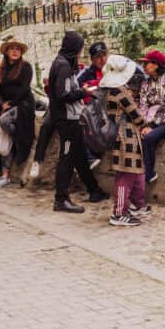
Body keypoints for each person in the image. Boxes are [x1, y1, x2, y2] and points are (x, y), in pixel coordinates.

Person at [48, 31, 106, 214]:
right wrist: (84, 92)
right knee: (66, 158)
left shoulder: (62, 62)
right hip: (66, 120)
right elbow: (64, 95)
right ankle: (61, 199)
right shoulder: (64, 66)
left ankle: (93, 189)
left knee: (80, 156)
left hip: (71, 118)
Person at [101, 55, 150, 227]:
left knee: (126, 174)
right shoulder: (119, 91)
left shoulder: (107, 90)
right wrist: (145, 124)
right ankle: (119, 212)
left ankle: (125, 208)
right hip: (126, 137)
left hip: (117, 135)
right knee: (125, 175)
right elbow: (136, 114)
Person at [0, 40, 35, 189]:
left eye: (18, 49)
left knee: (3, 121)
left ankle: (18, 137)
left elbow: (24, 89)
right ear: (6, 52)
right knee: (7, 138)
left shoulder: (26, 67)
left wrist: (10, 104)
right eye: (12, 49)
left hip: (23, 105)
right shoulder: (1, 69)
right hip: (7, 106)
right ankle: (5, 176)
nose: (15, 51)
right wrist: (1, 103)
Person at [136, 50, 165, 184]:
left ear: (155, 65)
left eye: (146, 63)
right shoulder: (145, 83)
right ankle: (141, 174)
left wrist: (152, 126)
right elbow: (142, 105)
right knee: (138, 136)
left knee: (149, 137)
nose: (143, 66)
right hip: (149, 120)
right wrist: (143, 125)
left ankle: (148, 174)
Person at [77, 41, 109, 170]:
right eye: (98, 57)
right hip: (92, 109)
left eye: (104, 55)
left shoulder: (115, 69)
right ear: (92, 59)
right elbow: (76, 92)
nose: (102, 59)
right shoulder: (85, 75)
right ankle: (91, 156)